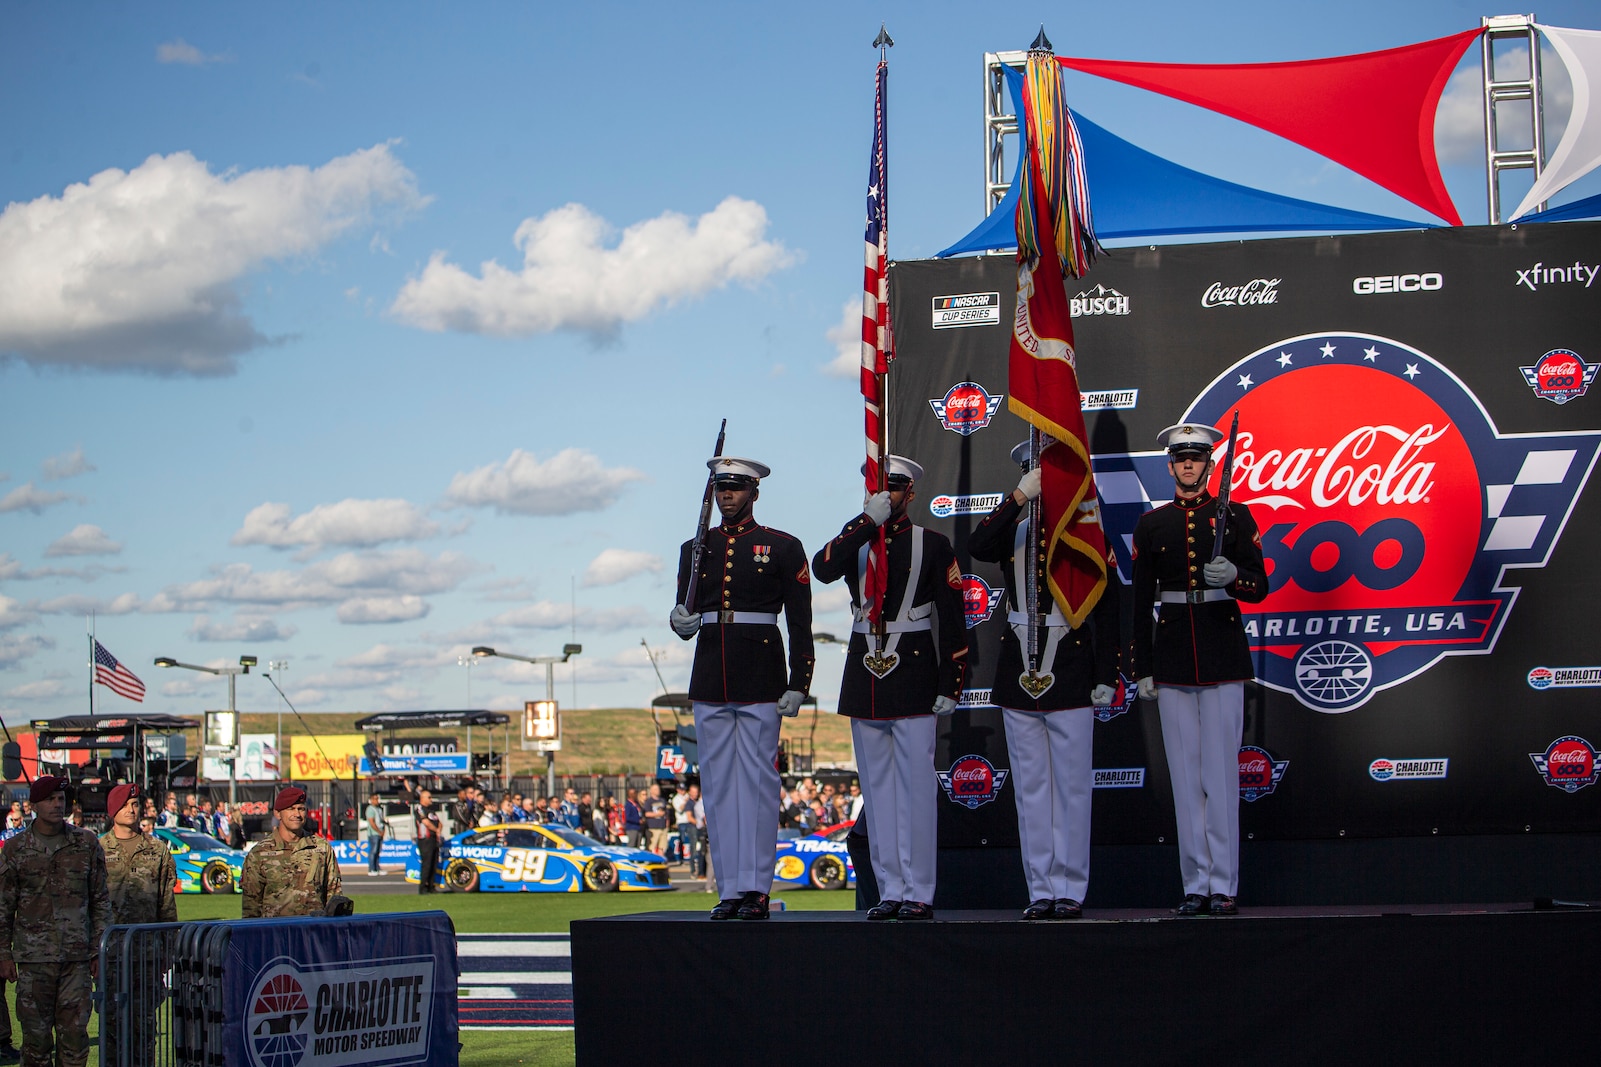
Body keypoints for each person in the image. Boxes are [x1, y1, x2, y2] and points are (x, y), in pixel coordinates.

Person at [968, 439, 1122, 920]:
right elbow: (977, 546)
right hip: (1019, 666)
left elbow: (1110, 606)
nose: (1041, 478)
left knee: (1072, 787)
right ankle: (1041, 889)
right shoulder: (1012, 527)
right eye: (1034, 471)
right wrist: (1018, 497)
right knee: (1032, 788)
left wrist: (1106, 673)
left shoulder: (1084, 527)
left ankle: (1071, 889)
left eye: (1047, 472)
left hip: (1071, 661)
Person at [812, 455, 966, 921]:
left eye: (895, 488)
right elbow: (822, 567)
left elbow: (954, 620)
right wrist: (865, 522)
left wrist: (952, 681)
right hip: (866, 672)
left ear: (911, 493)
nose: (887, 495)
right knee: (877, 792)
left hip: (915, 667)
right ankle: (890, 889)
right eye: (880, 487)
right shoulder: (857, 538)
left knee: (916, 788)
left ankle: (918, 890)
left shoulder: (933, 545)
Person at [1132, 422, 1269, 917]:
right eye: (1181, 459)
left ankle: (1224, 884)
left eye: (1197, 458)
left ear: (1209, 465)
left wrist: (1235, 577)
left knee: (1220, 776)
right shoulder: (1153, 525)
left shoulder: (1235, 515)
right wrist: (1141, 665)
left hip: (1222, 654)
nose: (1188, 466)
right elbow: (1139, 597)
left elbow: (1260, 585)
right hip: (1171, 657)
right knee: (1186, 779)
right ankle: (1195, 884)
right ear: (1170, 466)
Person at [670, 455, 815, 921]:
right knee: (716, 787)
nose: (726, 495)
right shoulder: (696, 547)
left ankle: (756, 888)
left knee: (758, 784)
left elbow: (800, 622)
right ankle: (730, 887)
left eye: (735, 488)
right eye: (721, 488)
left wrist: (800, 681)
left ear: (754, 492)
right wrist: (679, 620)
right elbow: (687, 610)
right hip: (712, 671)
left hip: (760, 673)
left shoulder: (782, 546)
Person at [0, 776, 112, 1067]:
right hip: (33, 960)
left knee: (75, 1040)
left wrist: (99, 950)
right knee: (36, 1043)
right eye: (50, 799)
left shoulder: (85, 843)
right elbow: (3, 907)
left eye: (61, 799)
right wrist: (3, 954)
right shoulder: (15, 849)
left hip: (76, 960)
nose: (57, 804)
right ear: (34, 805)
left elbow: (100, 901)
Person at [97, 783, 177, 1066]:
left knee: (144, 1029)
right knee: (111, 1027)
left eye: (135, 804)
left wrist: (168, 953)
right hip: (109, 957)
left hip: (147, 956)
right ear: (113, 811)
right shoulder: (96, 850)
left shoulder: (157, 850)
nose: (133, 809)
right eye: (127, 804)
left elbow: (166, 907)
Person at [240, 786, 342, 918]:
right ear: (277, 813)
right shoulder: (260, 853)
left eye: (301, 809)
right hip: (275, 933)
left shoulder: (321, 848)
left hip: (313, 932)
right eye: (291, 809)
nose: (297, 814)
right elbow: (251, 906)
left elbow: (334, 896)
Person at [413, 788, 441, 893]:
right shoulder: (420, 809)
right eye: (429, 797)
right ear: (422, 798)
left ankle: (431, 886)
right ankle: (423, 887)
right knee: (427, 864)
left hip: (434, 839)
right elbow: (426, 822)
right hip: (425, 840)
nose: (431, 799)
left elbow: (439, 822)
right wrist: (436, 830)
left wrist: (438, 830)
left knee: (434, 863)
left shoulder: (431, 810)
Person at [364, 791, 387, 876]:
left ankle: (377, 867)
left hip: (380, 832)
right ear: (371, 800)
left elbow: (381, 820)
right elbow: (371, 822)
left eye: (377, 798)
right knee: (373, 851)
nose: (377, 800)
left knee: (378, 851)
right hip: (374, 833)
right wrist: (378, 831)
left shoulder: (379, 809)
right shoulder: (370, 809)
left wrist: (383, 830)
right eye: (375, 799)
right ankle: (371, 868)